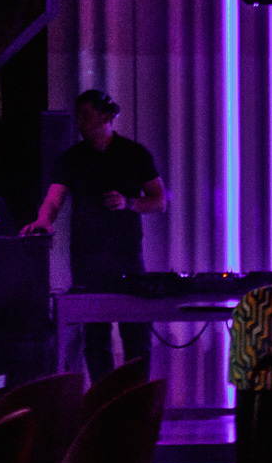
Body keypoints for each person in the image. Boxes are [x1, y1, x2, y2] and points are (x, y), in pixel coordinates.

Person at [20, 89, 168, 380]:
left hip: (126, 256)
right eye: (78, 117)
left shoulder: (134, 154)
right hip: (87, 258)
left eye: (87, 116)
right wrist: (43, 221)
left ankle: (136, 396)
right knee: (95, 338)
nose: (80, 123)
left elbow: (159, 200)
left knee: (136, 335)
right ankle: (105, 397)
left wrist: (129, 203)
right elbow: (54, 198)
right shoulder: (72, 158)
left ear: (106, 116)